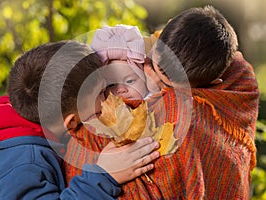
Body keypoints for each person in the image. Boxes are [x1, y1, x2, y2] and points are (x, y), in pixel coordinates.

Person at [65, 5, 260, 199]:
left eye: (168, 84)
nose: (153, 79)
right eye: (152, 65)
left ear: (210, 84)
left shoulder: (234, 85)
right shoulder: (151, 45)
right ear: (161, 36)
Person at [0, 40, 160, 200]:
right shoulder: (24, 165)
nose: (110, 97)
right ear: (71, 123)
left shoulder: (16, 123)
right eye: (102, 92)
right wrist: (104, 176)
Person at [91, 24, 158, 100]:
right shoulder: (100, 110)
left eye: (129, 81)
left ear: (145, 79)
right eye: (111, 85)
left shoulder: (156, 102)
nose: (121, 90)